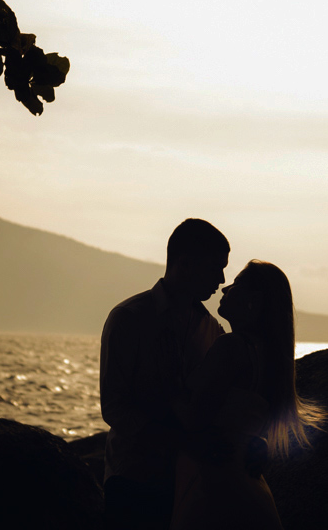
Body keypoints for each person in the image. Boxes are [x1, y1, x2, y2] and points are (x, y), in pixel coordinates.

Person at [169, 260, 328, 530]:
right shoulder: (269, 356)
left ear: (254, 301)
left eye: (237, 283)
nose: (225, 288)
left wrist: (165, 381)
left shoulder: (230, 347)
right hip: (249, 486)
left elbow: (194, 418)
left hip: (214, 486)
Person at [100, 219, 231, 530]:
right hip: (133, 480)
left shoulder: (213, 330)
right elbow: (115, 408)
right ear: (184, 263)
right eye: (215, 268)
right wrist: (185, 443)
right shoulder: (129, 319)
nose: (222, 279)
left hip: (190, 485)